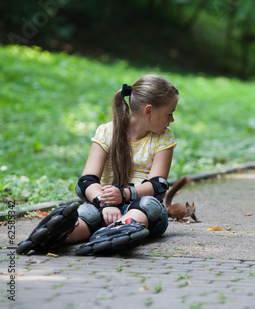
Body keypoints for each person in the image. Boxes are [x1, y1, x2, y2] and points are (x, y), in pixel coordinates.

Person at [17, 74, 179, 255]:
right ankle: (58, 235)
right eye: (169, 113)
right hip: (103, 205)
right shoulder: (107, 132)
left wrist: (124, 195)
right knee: (87, 213)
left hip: (143, 211)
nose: (171, 120)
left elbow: (158, 185)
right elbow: (86, 181)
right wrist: (105, 204)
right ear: (148, 111)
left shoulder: (164, 137)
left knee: (150, 205)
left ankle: (118, 230)